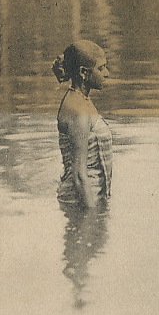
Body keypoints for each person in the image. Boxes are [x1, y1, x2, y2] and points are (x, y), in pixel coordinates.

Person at [53, 40, 112, 209]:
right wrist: (92, 218)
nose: (106, 73)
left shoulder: (81, 100)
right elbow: (79, 175)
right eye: (101, 68)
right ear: (83, 72)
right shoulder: (78, 110)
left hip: (89, 197)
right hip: (81, 202)